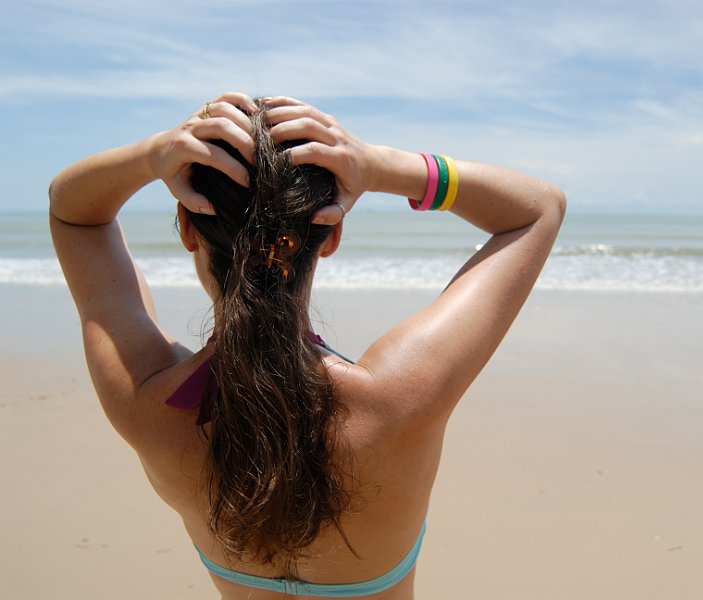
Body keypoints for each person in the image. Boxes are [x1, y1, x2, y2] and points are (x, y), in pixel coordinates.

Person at [49, 92, 565, 599]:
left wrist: (152, 155)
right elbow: (537, 208)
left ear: (187, 227)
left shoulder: (144, 400)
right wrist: (382, 166)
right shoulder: (398, 399)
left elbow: (73, 212)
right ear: (332, 234)